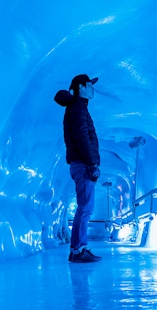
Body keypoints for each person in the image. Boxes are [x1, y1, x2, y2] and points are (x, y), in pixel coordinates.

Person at [54, 74, 103, 263]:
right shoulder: (78, 108)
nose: (93, 89)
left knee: (85, 207)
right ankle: (78, 250)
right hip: (83, 164)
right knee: (85, 208)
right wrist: (92, 163)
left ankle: (78, 248)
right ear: (81, 87)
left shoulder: (78, 108)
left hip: (81, 163)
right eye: (90, 85)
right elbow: (83, 137)